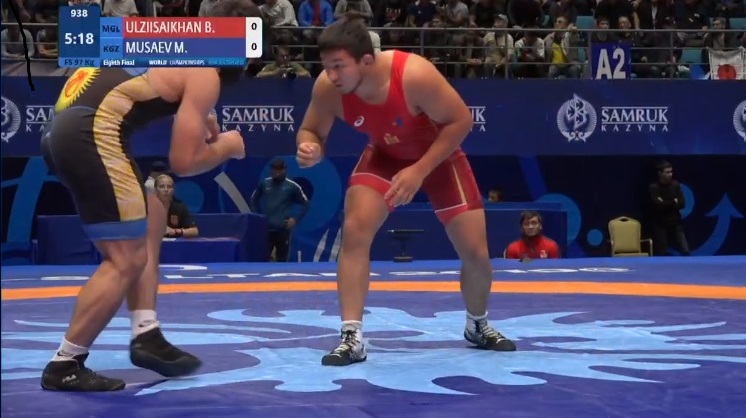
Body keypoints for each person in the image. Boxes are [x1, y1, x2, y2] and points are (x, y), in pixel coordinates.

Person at [38, 0, 262, 392]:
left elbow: (151, 79)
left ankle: (146, 332)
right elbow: (184, 162)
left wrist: (206, 116)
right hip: (92, 132)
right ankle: (65, 362)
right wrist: (228, 146)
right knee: (125, 260)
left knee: (151, 217)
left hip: (61, 129)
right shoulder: (205, 71)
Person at [295, 16, 516, 367]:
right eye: (327, 66)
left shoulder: (413, 75)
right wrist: (311, 148)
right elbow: (311, 130)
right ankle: (351, 336)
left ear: (366, 61)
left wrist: (420, 170)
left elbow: (461, 120)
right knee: (355, 230)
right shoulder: (327, 88)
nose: (332, 75)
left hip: (439, 157)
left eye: (338, 66)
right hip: (385, 156)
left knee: (476, 253)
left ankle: (477, 324)